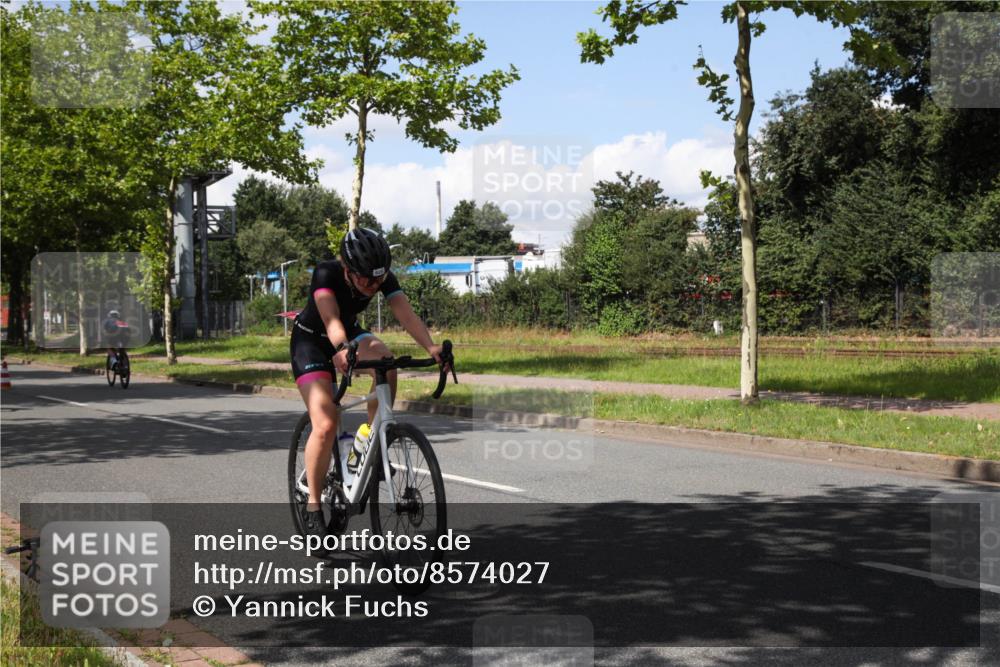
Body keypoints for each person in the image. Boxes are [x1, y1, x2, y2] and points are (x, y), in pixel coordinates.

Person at [290, 228, 450, 541]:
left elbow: (405, 313)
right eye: (364, 279)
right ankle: (312, 505)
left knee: (386, 363)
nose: (370, 286)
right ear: (347, 268)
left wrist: (431, 348)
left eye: (377, 280)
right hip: (312, 342)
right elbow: (330, 315)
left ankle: (368, 439)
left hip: (349, 338)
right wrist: (339, 349)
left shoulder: (380, 277)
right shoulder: (326, 273)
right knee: (324, 423)